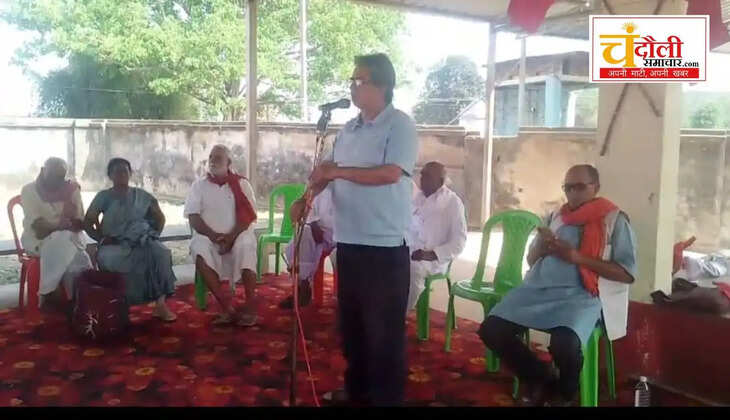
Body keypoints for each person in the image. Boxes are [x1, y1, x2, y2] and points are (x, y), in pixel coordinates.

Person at [292, 53, 418, 406]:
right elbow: (326, 172)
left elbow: (390, 173)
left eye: (359, 80)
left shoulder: (400, 125)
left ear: (382, 85)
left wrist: (337, 172)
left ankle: (385, 399)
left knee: (383, 335)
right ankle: (357, 392)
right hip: (348, 241)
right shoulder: (348, 130)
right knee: (353, 328)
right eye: (352, 80)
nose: (352, 87)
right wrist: (306, 197)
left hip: (384, 246)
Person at [478, 164, 637, 407]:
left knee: (565, 344)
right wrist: (542, 247)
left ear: (596, 187)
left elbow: (626, 273)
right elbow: (531, 260)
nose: (573, 193)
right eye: (568, 187)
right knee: (492, 329)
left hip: (582, 296)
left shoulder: (614, 220)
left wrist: (577, 258)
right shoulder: (556, 217)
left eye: (580, 187)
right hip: (538, 290)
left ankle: (565, 392)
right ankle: (539, 376)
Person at [83, 158, 177, 322]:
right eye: (117, 171)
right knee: (113, 259)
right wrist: (102, 239)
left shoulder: (141, 196)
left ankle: (160, 305)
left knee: (161, 253)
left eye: (124, 171)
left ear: (130, 173)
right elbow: (88, 221)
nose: (121, 174)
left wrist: (151, 236)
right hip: (114, 244)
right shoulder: (103, 196)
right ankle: (121, 305)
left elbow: (159, 217)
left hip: (141, 240)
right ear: (110, 175)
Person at [184, 144, 258, 326]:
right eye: (211, 157)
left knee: (247, 244)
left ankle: (250, 307)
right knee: (198, 247)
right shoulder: (199, 186)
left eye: (218, 158)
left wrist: (231, 237)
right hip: (210, 237)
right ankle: (226, 307)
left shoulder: (242, 184)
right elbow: (193, 217)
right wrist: (214, 236)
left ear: (229, 162)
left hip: (237, 235)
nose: (212, 161)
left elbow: (248, 217)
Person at [20, 157, 92, 309]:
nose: (56, 181)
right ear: (42, 171)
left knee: (65, 240)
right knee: (71, 248)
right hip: (38, 240)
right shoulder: (29, 190)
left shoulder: (71, 190)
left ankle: (49, 292)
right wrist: (61, 225)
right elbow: (39, 229)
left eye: (60, 177)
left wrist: (69, 223)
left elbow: (80, 223)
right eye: (52, 175)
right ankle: (78, 300)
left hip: (70, 238)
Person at [406, 161, 466, 311]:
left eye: (428, 176)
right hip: (409, 252)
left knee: (412, 270)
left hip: (432, 260)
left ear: (440, 181)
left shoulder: (453, 202)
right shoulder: (416, 198)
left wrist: (430, 254)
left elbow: (458, 242)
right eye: (422, 175)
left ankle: (400, 314)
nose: (422, 179)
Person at [279, 187, 335, 309]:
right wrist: (310, 221)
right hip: (318, 231)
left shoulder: (344, 182)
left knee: (307, 234)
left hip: (343, 234)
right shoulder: (317, 184)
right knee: (303, 234)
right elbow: (303, 209)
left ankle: (303, 284)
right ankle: (302, 285)